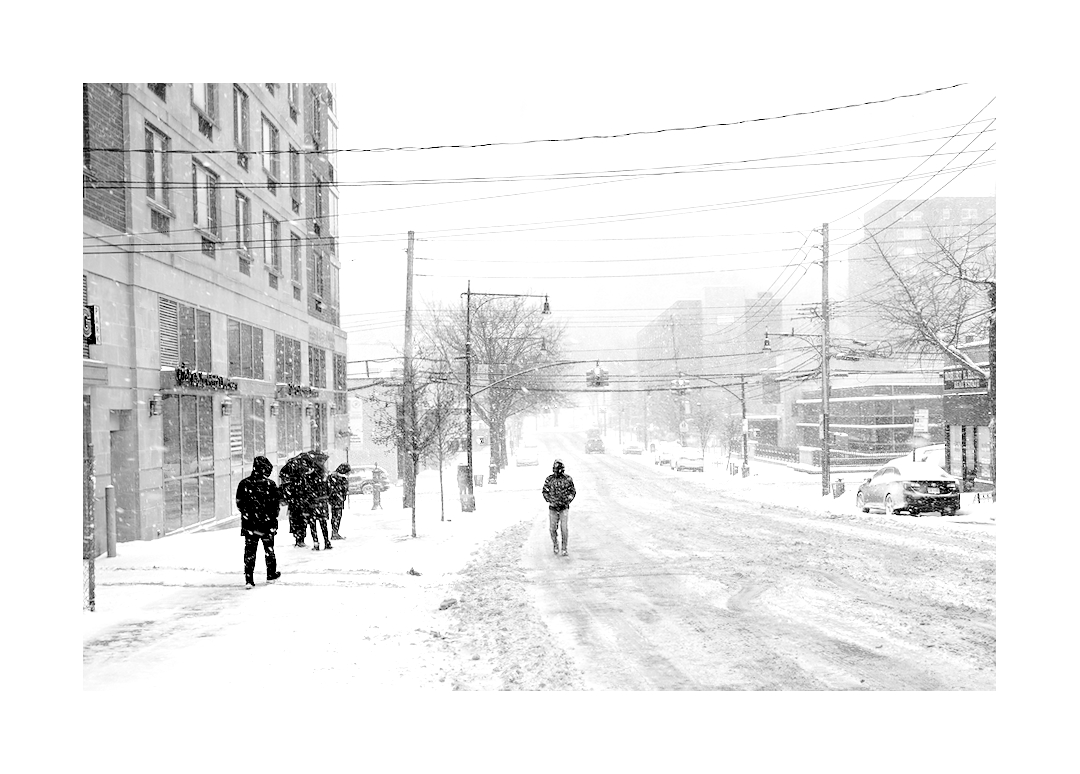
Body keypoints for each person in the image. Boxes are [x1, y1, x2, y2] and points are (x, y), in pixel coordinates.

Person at [236, 455, 282, 588]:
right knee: (269, 549)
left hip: (250, 524)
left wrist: (248, 514)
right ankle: (270, 574)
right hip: (266, 524)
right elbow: (275, 505)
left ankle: (249, 579)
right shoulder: (270, 485)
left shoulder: (244, 484)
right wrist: (271, 517)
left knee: (250, 552)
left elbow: (240, 503)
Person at [541, 458, 576, 557]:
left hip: (564, 508)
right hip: (553, 508)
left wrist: (567, 500)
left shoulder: (567, 479)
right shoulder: (549, 479)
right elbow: (545, 491)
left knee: (564, 529)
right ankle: (555, 544)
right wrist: (549, 500)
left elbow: (572, 491)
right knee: (552, 529)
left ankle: (564, 548)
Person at [279, 452, 310, 547]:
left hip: (294, 502)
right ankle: (300, 539)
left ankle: (298, 538)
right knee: (301, 521)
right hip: (301, 501)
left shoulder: (290, 470)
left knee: (295, 520)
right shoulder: (302, 473)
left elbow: (284, 482)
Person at [304, 450, 333, 550]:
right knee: (323, 523)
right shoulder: (324, 473)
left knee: (313, 524)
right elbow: (329, 488)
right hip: (322, 501)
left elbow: (306, 489)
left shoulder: (309, 475)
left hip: (313, 502)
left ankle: (316, 543)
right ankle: (327, 541)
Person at [327, 463, 351, 540]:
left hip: (337, 499)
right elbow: (333, 489)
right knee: (336, 516)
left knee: (337, 516)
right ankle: (334, 533)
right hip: (336, 499)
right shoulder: (337, 478)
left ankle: (335, 532)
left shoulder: (335, 477)